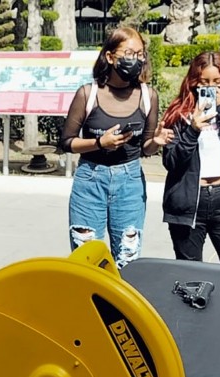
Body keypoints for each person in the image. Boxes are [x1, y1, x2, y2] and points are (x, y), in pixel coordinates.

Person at [59, 26, 173, 268]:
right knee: (87, 261)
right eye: (129, 53)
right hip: (90, 181)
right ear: (110, 57)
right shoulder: (87, 94)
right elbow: (67, 142)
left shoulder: (147, 96)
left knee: (127, 259)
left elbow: (146, 147)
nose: (136, 60)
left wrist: (157, 141)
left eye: (140, 54)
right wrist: (100, 143)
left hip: (129, 183)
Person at [160, 51, 220, 266]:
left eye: (217, 82)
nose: (211, 88)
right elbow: (171, 162)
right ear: (193, 82)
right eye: (204, 82)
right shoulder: (178, 113)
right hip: (188, 203)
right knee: (191, 274)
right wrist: (192, 130)